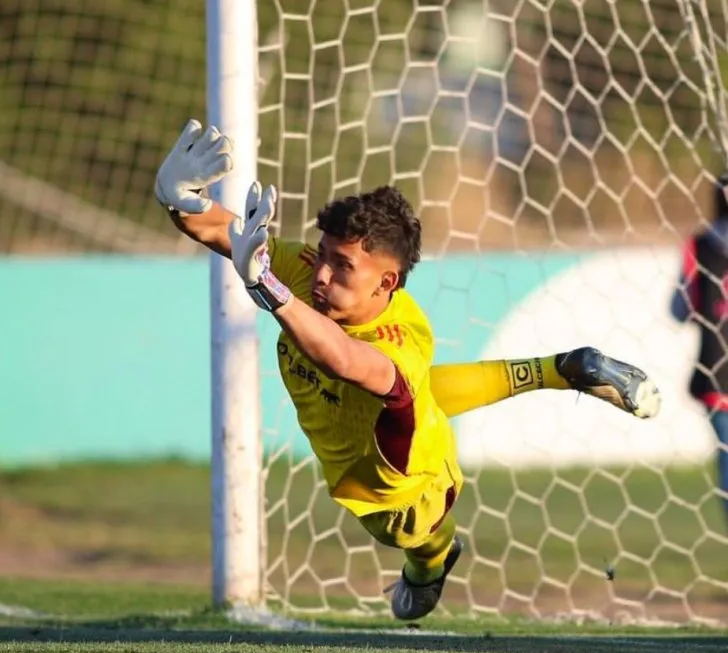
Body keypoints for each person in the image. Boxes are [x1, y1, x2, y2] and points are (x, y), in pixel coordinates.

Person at [154, 119, 661, 621]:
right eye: (324, 255)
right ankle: (563, 368)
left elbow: (343, 359)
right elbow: (224, 231)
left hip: (402, 484)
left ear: (386, 283)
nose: (323, 274)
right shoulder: (310, 272)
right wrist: (180, 197)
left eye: (343, 266)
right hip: (385, 421)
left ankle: (432, 566)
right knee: (426, 397)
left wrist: (269, 290)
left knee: (421, 542)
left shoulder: (398, 340)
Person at [671, 173, 728, 521]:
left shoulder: (700, 246)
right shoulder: (699, 247)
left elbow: (678, 309)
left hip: (716, 375)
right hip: (717, 378)